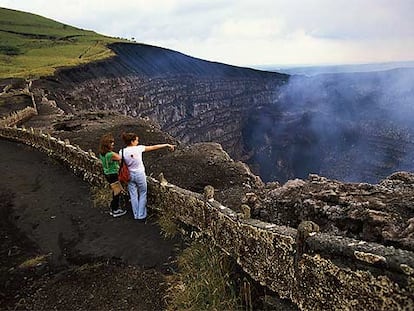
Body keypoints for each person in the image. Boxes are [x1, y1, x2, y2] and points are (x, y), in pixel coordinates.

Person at [120, 132, 175, 222]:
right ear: (132, 141)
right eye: (136, 140)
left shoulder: (121, 152)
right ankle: (141, 215)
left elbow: (121, 164)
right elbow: (154, 147)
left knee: (133, 194)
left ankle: (136, 214)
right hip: (139, 174)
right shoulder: (138, 149)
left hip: (129, 175)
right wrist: (166, 145)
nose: (138, 142)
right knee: (142, 193)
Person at [98, 133, 127, 217]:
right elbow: (119, 157)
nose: (113, 146)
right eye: (111, 144)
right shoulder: (110, 154)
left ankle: (112, 208)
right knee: (117, 191)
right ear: (107, 145)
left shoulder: (102, 154)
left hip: (107, 173)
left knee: (115, 190)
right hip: (113, 174)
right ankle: (115, 210)